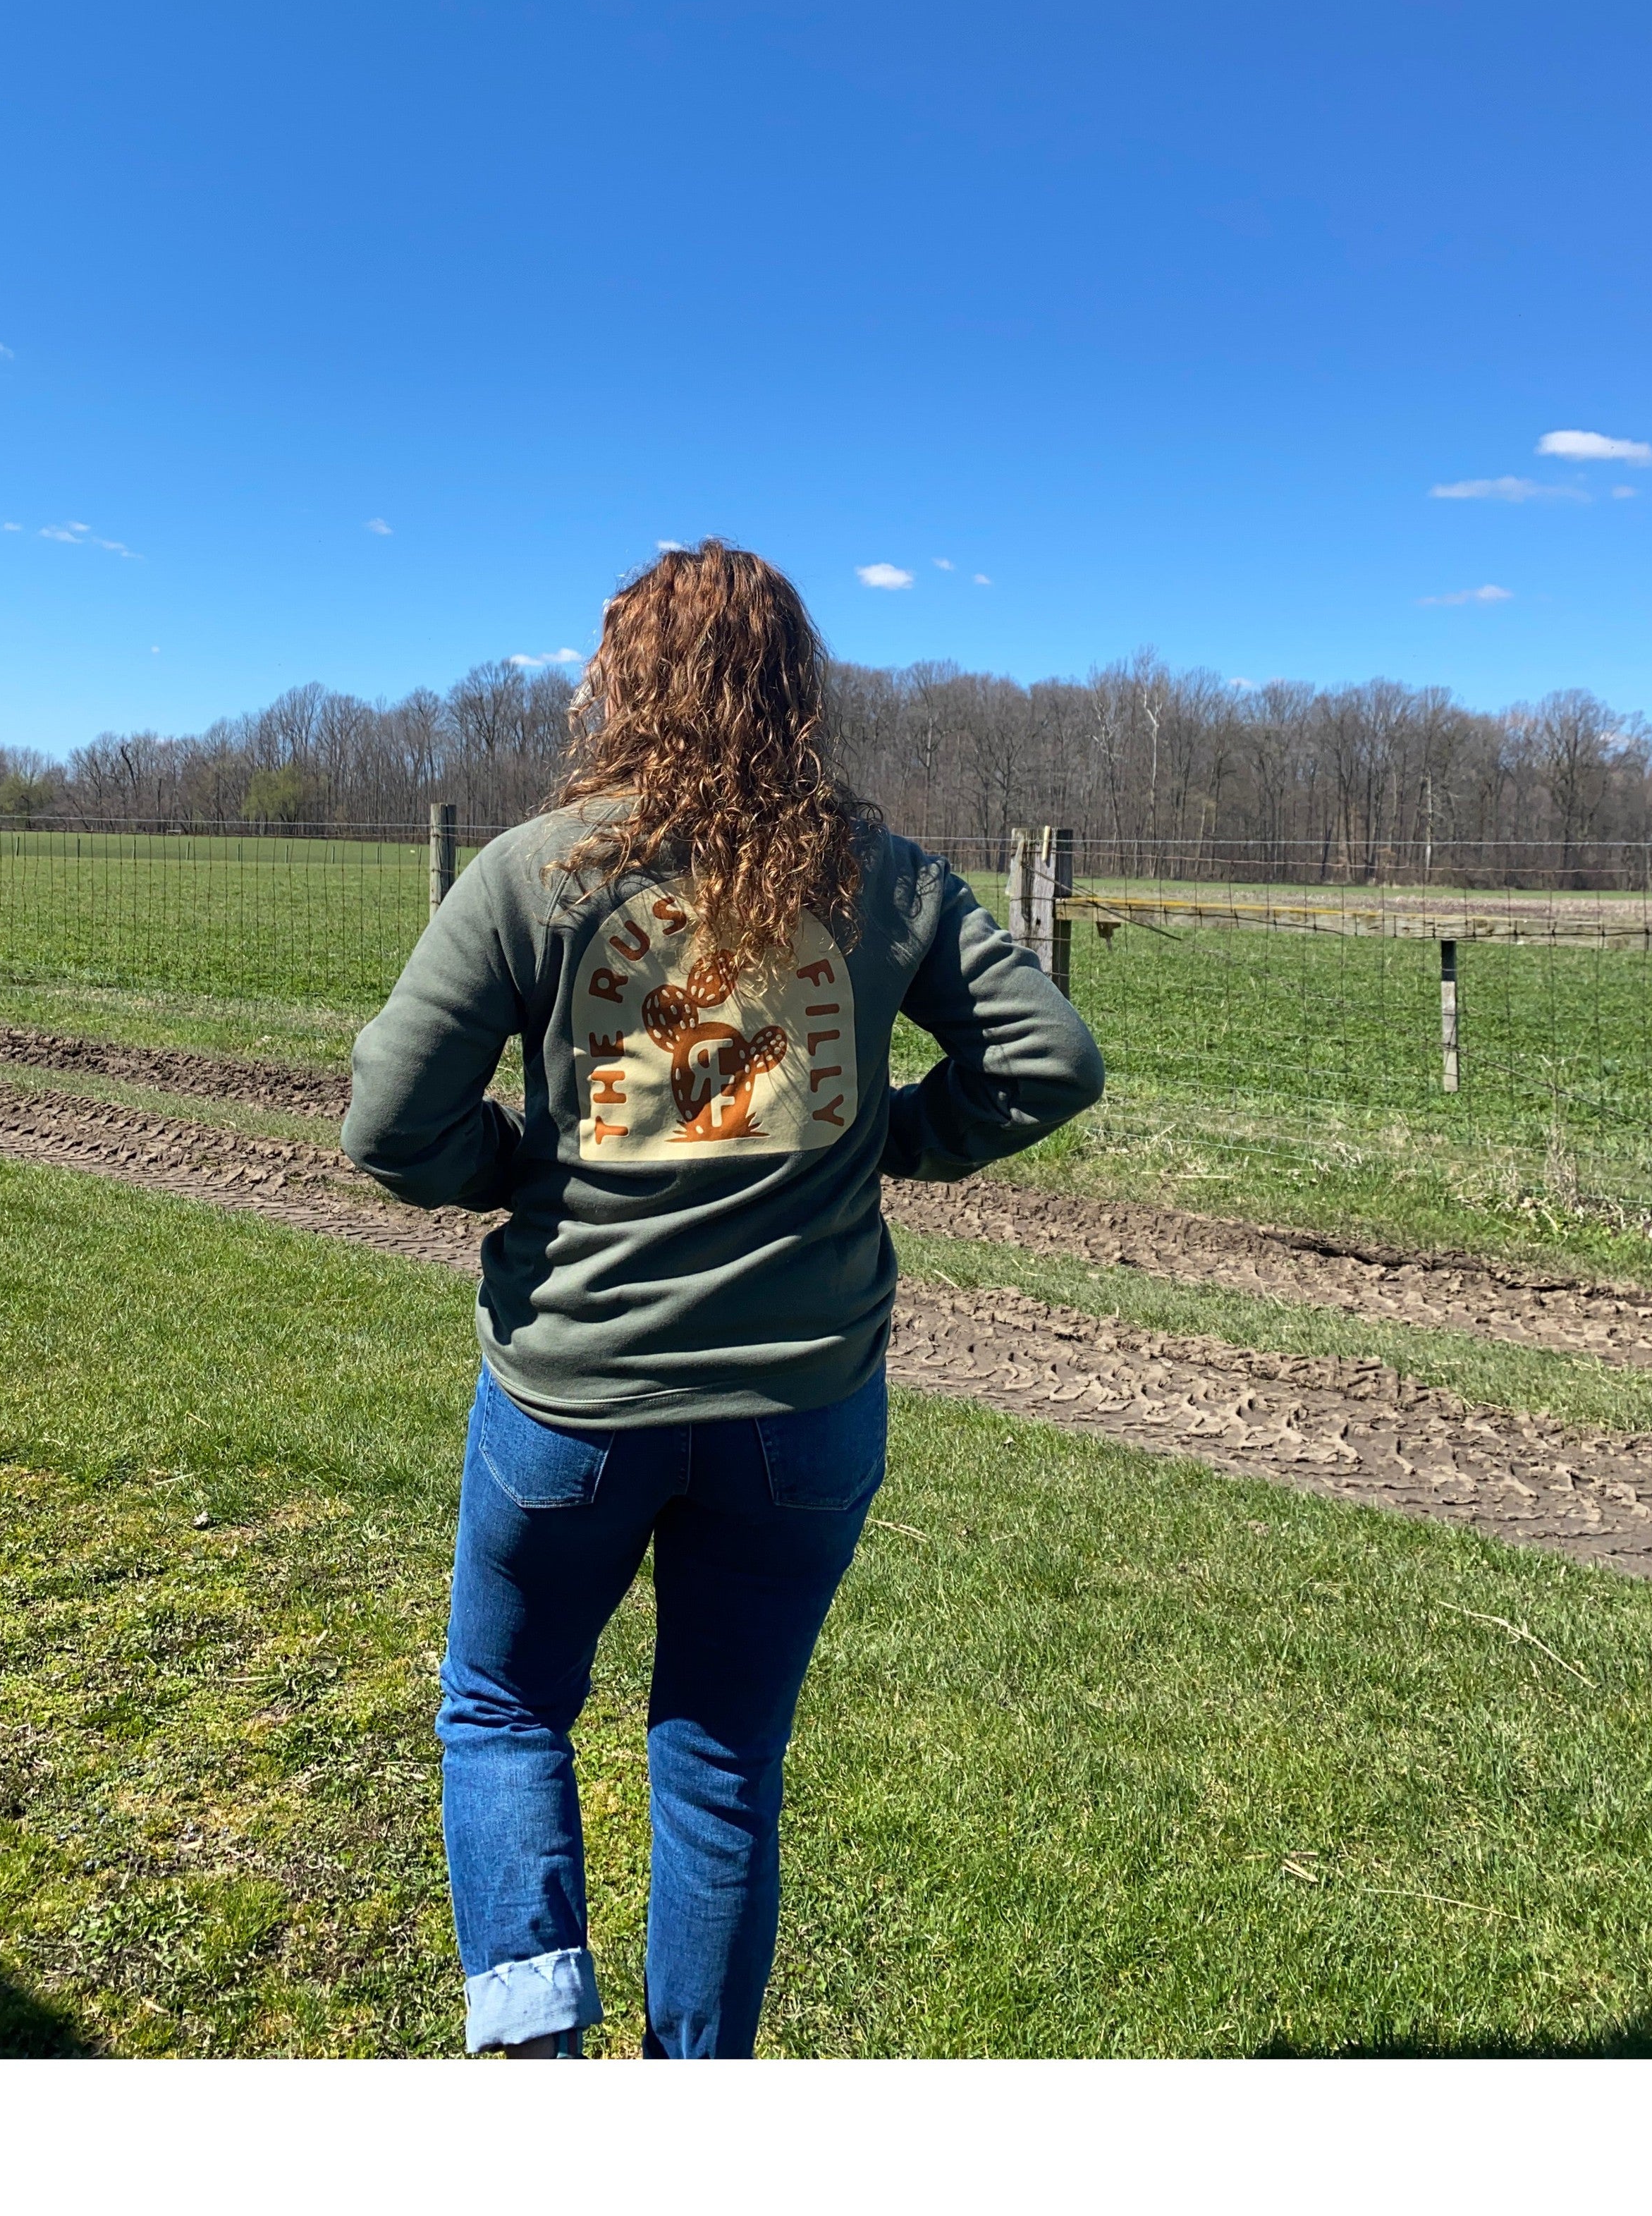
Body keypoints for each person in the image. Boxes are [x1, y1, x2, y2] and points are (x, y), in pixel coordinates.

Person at [341, 541, 1103, 2059]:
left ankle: (536, 2064)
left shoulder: (542, 867)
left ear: (622, 687)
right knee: (719, 1760)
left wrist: (514, 1164)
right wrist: (885, 1132)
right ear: (791, 697)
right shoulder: (879, 879)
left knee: (501, 1708)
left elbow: (384, 1122)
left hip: (576, 1397)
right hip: (802, 1416)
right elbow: (1049, 1059)